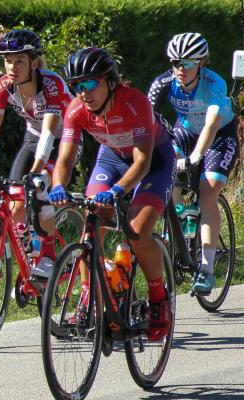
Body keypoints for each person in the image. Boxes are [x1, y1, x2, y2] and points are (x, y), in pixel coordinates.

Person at [48, 47, 176, 341]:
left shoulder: (135, 103)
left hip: (153, 160)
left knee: (136, 229)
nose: (83, 92)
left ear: (110, 81)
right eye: (76, 86)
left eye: (90, 84)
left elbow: (142, 161)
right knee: (92, 223)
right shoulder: (77, 110)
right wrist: (57, 186)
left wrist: (119, 191)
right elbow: (65, 159)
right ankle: (87, 300)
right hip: (112, 159)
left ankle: (158, 298)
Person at [0, 28, 73, 278]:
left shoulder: (52, 84)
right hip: (33, 137)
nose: (12, 67)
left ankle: (48, 255)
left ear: (34, 62)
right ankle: (28, 259)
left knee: (40, 187)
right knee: (15, 199)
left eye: (19, 61)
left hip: (63, 137)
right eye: (7, 61)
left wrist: (35, 172)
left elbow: (49, 132)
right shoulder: (3, 86)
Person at [148, 32, 239, 294]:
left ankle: (207, 270)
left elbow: (211, 125)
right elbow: (145, 115)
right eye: (176, 63)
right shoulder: (164, 82)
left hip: (219, 135)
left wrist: (196, 157)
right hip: (185, 131)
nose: (180, 69)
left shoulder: (214, 84)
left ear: (201, 63)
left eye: (187, 63)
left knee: (207, 191)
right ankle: (179, 223)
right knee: (167, 176)